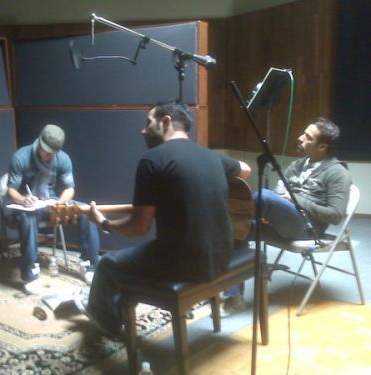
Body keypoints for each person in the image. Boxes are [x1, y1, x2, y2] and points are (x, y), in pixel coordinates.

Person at [74, 100, 251, 335]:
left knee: (108, 265)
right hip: (220, 256)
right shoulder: (212, 157)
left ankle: (107, 321)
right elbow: (246, 169)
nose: (143, 130)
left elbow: (139, 228)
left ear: (166, 121)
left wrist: (104, 223)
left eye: (148, 122)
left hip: (184, 265)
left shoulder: (153, 160)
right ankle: (118, 306)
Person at [223, 117, 352, 315]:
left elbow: (335, 215)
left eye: (308, 137)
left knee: (261, 198)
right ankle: (234, 296)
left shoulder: (337, 173)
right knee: (237, 228)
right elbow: (278, 195)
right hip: (283, 222)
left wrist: (297, 200)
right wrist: (275, 209)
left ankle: (217, 216)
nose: (300, 138)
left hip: (308, 229)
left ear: (322, 146)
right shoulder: (298, 165)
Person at [5, 124, 100, 295]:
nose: (48, 155)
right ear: (39, 142)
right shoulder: (21, 157)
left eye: (52, 152)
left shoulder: (63, 159)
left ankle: (89, 265)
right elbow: (10, 191)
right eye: (46, 150)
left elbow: (70, 188)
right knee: (28, 217)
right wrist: (24, 199)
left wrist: (61, 202)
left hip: (51, 201)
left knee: (85, 210)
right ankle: (30, 273)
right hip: (25, 205)